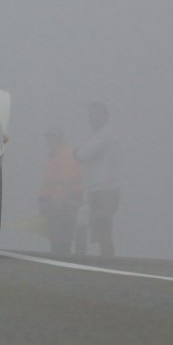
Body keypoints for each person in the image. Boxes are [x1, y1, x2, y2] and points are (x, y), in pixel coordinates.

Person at [75, 101, 120, 257]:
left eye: (95, 115)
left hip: (104, 190)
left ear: (105, 115)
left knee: (103, 231)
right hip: (100, 189)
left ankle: (108, 263)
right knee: (100, 231)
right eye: (90, 116)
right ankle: (106, 261)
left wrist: (78, 152)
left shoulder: (105, 134)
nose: (92, 119)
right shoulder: (102, 134)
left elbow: (82, 155)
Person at [37, 128, 83, 254]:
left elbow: (64, 183)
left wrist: (55, 202)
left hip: (62, 203)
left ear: (60, 139)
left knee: (61, 236)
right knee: (58, 236)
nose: (50, 141)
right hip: (58, 202)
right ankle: (60, 260)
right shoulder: (55, 155)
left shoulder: (65, 155)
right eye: (49, 138)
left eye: (53, 138)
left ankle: (61, 262)